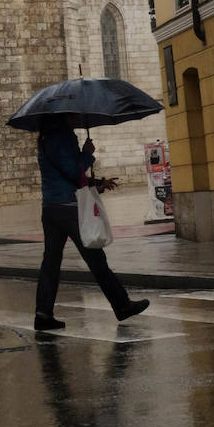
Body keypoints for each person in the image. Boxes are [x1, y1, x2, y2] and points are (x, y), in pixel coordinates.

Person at [34, 113, 149, 331]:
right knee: (96, 259)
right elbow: (72, 171)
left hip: (50, 208)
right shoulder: (64, 136)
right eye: (73, 114)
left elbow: (67, 175)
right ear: (62, 116)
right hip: (69, 208)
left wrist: (97, 183)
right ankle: (122, 305)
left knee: (50, 263)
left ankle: (43, 314)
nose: (77, 116)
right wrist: (87, 154)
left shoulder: (45, 139)